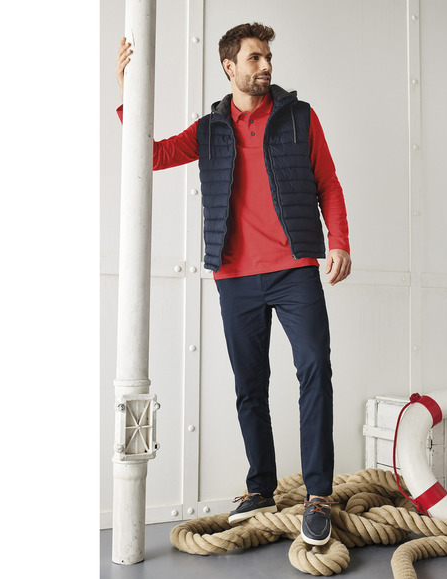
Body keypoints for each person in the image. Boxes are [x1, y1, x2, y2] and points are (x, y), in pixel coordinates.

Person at [115, 22, 351, 546]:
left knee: (315, 370)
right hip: (235, 275)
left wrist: (338, 241)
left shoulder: (300, 117)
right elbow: (152, 155)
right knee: (250, 386)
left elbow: (328, 182)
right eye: (254, 58)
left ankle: (318, 495)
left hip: (295, 268)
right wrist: (129, 92)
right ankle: (261, 486)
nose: (266, 66)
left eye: (268, 57)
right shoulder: (210, 129)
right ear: (230, 66)